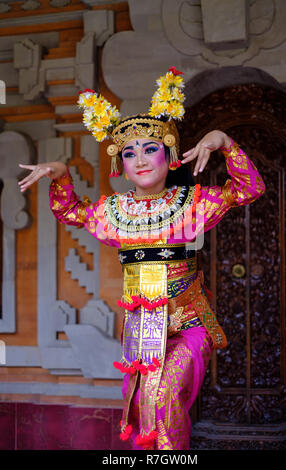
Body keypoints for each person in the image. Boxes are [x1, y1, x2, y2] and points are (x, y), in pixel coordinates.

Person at [17, 67, 266, 450]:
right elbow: (70, 212)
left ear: (168, 154)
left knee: (162, 398)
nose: (140, 159)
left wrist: (224, 141)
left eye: (150, 148)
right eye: (129, 152)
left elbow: (249, 188)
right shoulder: (113, 212)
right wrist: (61, 173)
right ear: (121, 164)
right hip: (141, 328)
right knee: (144, 414)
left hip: (187, 323)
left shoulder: (192, 204)